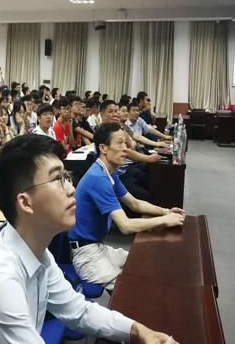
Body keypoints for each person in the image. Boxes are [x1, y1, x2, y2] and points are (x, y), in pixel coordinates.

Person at [0, 134, 177, 343]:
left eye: (66, 176)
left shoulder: (38, 253)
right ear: (25, 202)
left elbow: (78, 311)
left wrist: (136, 330)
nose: (71, 189)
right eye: (57, 179)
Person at [69, 123, 186, 290]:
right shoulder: (98, 179)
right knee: (130, 290)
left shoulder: (108, 172)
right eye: (119, 143)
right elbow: (125, 226)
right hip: (87, 255)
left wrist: (166, 211)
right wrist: (164, 220)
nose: (126, 148)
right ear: (103, 148)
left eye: (125, 142)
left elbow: (134, 203)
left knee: (141, 261)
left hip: (98, 247)